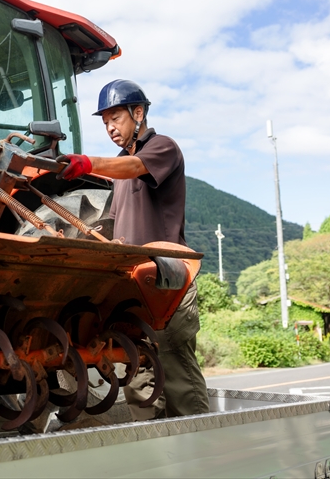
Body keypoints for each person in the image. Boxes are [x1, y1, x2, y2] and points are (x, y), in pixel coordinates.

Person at [57, 79, 209, 420]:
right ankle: (154, 453)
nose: (110, 127)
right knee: (138, 374)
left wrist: (87, 163)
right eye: (105, 121)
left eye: (116, 118)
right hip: (135, 287)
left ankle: (198, 451)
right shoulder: (119, 166)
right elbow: (115, 224)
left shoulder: (161, 148)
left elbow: (134, 167)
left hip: (169, 281)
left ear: (138, 113)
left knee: (175, 372)